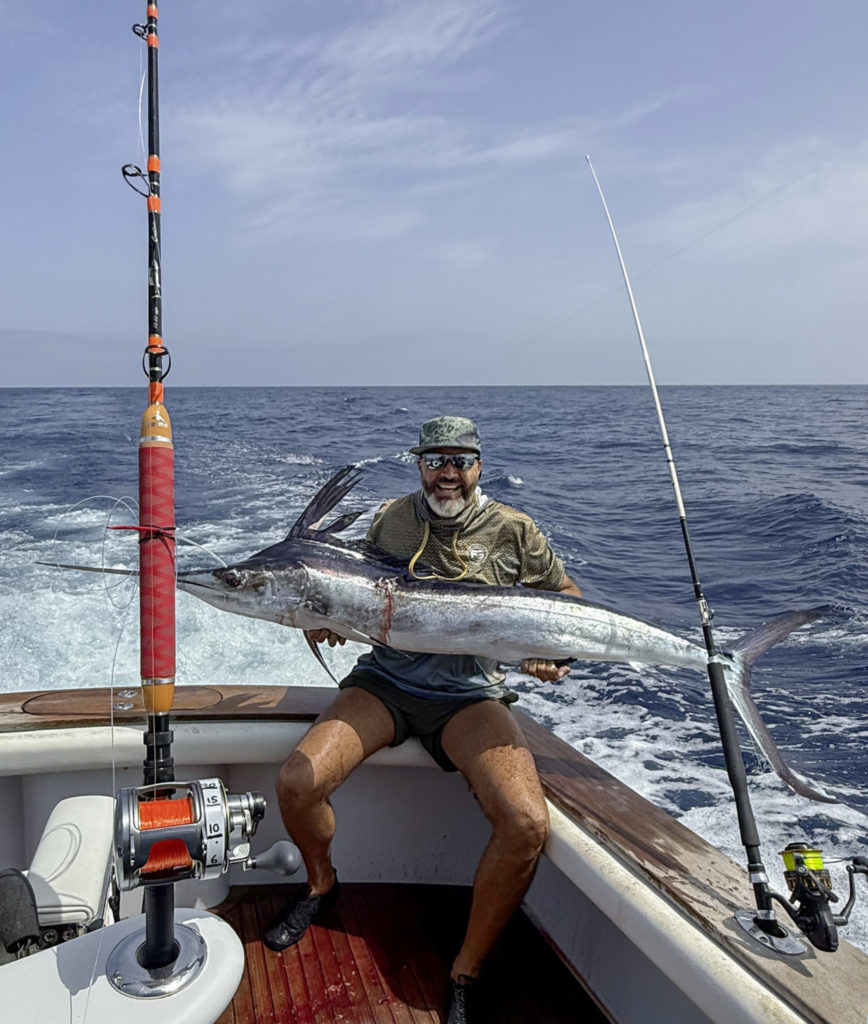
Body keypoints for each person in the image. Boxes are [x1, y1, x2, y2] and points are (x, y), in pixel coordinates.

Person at [264, 416, 581, 1024]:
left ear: (480, 466)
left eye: (461, 460)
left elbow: (564, 596)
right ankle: (322, 886)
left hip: (470, 696)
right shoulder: (390, 519)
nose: (449, 473)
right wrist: (326, 620)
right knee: (298, 782)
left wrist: (553, 651)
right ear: (419, 464)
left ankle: (465, 970)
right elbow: (351, 594)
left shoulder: (515, 529)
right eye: (436, 459)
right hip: (386, 683)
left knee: (524, 823)